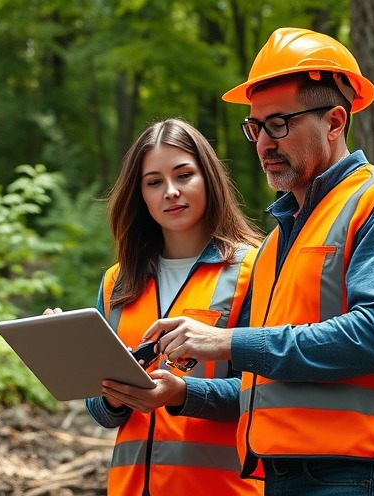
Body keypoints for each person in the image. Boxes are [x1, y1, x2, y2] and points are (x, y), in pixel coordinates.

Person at [142, 27, 374, 495]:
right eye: (256, 127)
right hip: (280, 475)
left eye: (280, 123)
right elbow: (261, 385)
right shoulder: (272, 248)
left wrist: (227, 340)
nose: (264, 141)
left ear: (334, 121)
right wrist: (185, 392)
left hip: (358, 476)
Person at [85, 118, 264, 495]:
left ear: (208, 179)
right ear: (141, 195)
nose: (170, 191)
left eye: (184, 175)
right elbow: (100, 411)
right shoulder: (116, 283)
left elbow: (266, 393)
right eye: (154, 182)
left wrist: (183, 393)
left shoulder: (255, 270)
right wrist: (109, 395)